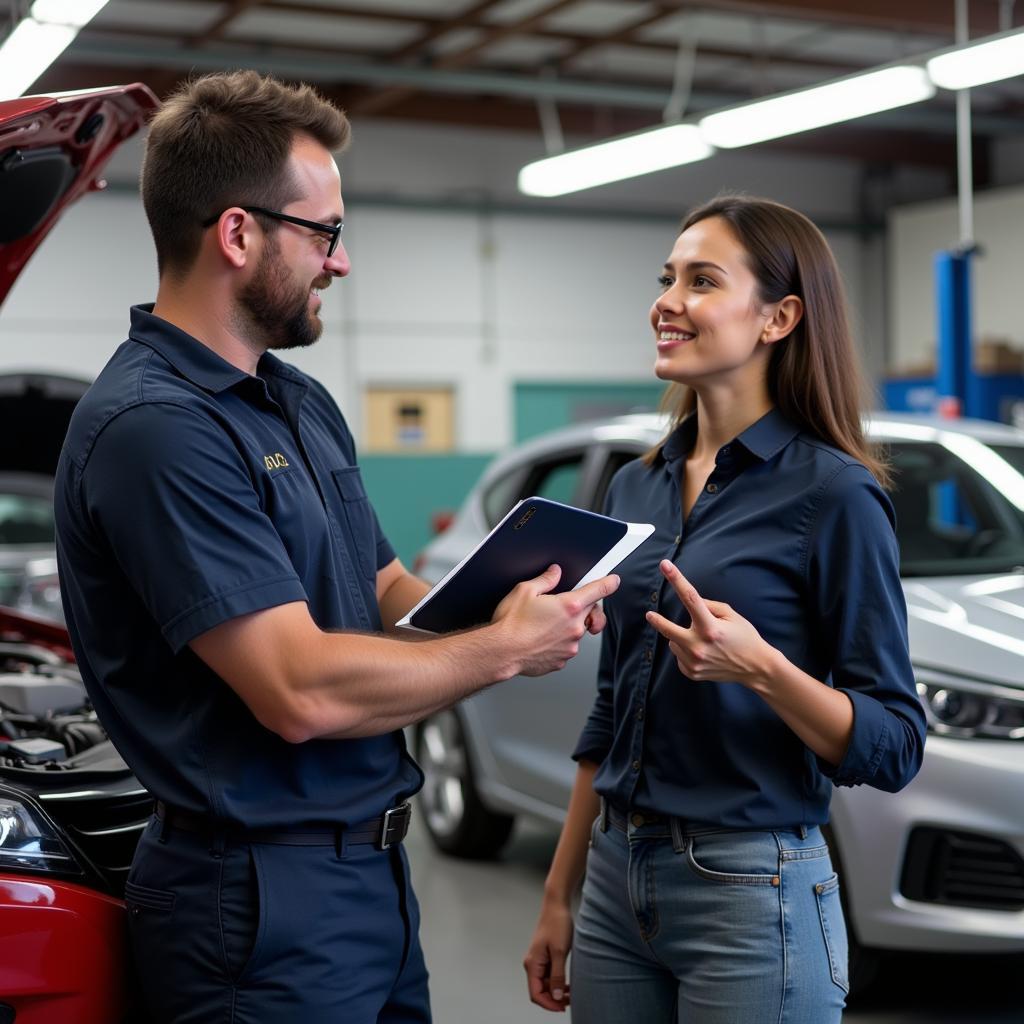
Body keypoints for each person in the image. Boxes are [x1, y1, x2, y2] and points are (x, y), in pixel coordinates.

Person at [54, 70, 619, 1024]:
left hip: (370, 876)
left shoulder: (297, 401)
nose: (341, 263)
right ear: (238, 234)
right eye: (325, 234)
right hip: (256, 900)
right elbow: (299, 691)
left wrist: (513, 601)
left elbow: (386, 583)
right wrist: (502, 650)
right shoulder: (157, 428)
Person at [523, 195, 927, 1022]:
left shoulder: (837, 495)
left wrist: (765, 672)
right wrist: (560, 893)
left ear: (778, 318)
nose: (666, 301)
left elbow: (894, 744)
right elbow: (609, 713)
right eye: (666, 277)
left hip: (750, 889)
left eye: (701, 281)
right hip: (613, 879)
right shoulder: (636, 484)